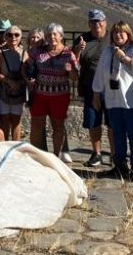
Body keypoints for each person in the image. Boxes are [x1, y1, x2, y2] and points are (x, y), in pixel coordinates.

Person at [92, 21, 133, 180]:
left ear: (128, 34)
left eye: (121, 32)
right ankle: (120, 166)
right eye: (115, 33)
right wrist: (96, 93)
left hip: (132, 101)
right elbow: (100, 74)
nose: (118, 35)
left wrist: (124, 58)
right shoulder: (107, 51)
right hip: (113, 100)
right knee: (117, 134)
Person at [25, 23, 78, 163]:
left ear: (61, 36)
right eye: (49, 34)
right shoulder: (38, 52)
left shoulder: (68, 53)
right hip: (39, 95)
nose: (52, 37)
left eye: (55, 34)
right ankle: (36, 156)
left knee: (58, 126)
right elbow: (25, 66)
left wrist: (70, 70)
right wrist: (28, 79)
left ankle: (56, 156)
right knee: (36, 125)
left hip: (60, 96)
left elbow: (75, 78)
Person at [74, 10, 111, 168]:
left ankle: (115, 155)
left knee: (112, 123)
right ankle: (96, 154)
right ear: (89, 24)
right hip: (90, 87)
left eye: (100, 21)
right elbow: (74, 60)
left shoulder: (113, 37)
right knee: (93, 122)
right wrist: (78, 49)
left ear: (105, 22)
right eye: (93, 22)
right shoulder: (82, 39)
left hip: (111, 89)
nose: (97, 24)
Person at [0, 25, 28, 141]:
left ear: (20, 37)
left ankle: (14, 148)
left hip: (18, 92)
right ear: (5, 37)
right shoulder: (0, 53)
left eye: (16, 35)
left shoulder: (25, 54)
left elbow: (27, 73)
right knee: (4, 120)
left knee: (16, 121)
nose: (13, 37)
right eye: (9, 35)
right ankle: (4, 146)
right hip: (4, 91)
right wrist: (9, 82)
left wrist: (18, 83)